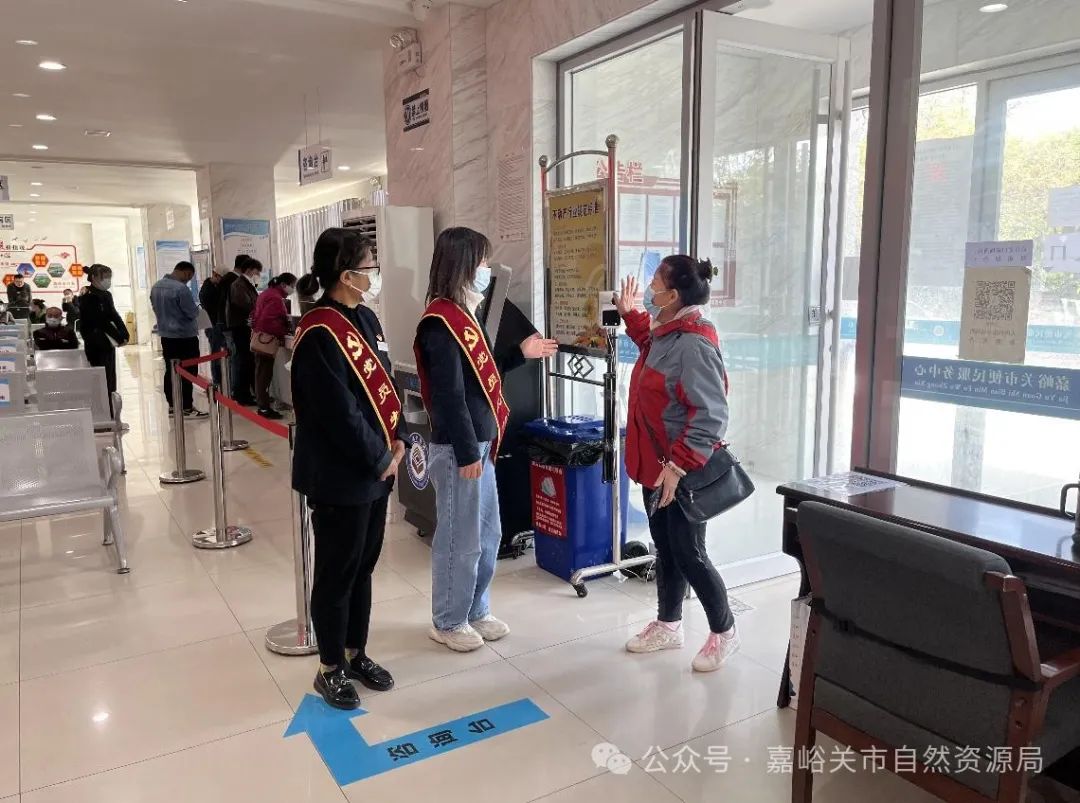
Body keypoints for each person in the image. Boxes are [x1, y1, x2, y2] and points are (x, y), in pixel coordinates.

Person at [414, 227, 557, 652]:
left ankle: (475, 609)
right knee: (459, 540)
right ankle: (448, 619)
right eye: (480, 262)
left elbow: (482, 372)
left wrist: (519, 354)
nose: (485, 269)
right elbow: (449, 395)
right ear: (461, 264)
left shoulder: (465, 314)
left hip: (480, 444)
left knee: (487, 534)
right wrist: (464, 453)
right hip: (461, 449)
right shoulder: (440, 323)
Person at [291, 228, 407, 709]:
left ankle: (356, 653)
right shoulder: (319, 331)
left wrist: (398, 437)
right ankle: (329, 666)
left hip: (376, 471)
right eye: (369, 267)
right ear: (346, 275)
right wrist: (379, 458)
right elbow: (337, 412)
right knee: (337, 572)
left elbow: (383, 386)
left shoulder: (367, 318)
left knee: (363, 567)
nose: (374, 274)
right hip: (340, 474)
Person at [615, 256, 739, 673]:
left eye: (656, 282)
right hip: (656, 464)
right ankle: (669, 625)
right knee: (666, 547)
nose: (649, 287)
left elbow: (711, 414)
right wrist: (630, 314)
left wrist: (678, 467)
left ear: (673, 295)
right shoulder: (668, 331)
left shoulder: (693, 343)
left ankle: (725, 631)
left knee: (690, 552)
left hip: (681, 469)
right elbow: (653, 349)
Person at [151, 261, 207, 419]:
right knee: (188, 371)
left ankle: (172, 406)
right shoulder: (181, 289)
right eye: (189, 276)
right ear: (185, 272)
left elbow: (155, 308)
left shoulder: (156, 287)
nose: (188, 279)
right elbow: (191, 313)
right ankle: (186, 406)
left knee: (171, 371)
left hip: (166, 336)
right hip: (185, 336)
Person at [251, 272, 296, 419]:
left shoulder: (267, 293)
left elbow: (257, 316)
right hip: (267, 340)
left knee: (261, 373)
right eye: (292, 285)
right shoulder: (275, 298)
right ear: (283, 284)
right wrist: (283, 331)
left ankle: (262, 404)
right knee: (264, 374)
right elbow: (268, 321)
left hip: (260, 336)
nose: (293, 288)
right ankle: (264, 408)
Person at [80, 264, 129, 399]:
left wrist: (124, 334)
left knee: (110, 376)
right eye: (105, 277)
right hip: (96, 342)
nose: (108, 280)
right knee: (100, 376)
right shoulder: (87, 296)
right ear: (94, 277)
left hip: (108, 342)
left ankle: (110, 404)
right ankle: (102, 405)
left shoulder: (106, 294)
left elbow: (114, 315)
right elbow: (100, 320)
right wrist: (119, 337)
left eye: (109, 277)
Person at [225, 257, 261, 405]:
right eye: (257, 271)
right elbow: (244, 303)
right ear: (249, 270)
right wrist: (259, 307)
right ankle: (242, 395)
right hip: (240, 326)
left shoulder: (245, 283)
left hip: (244, 326)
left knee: (247, 360)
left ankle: (248, 393)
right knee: (244, 361)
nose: (258, 274)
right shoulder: (238, 284)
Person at [198, 268, 226, 386]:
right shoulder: (207, 289)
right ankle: (217, 381)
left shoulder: (213, 287)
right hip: (213, 325)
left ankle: (221, 380)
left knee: (218, 354)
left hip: (215, 325)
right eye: (220, 278)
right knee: (216, 354)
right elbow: (212, 307)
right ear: (215, 275)